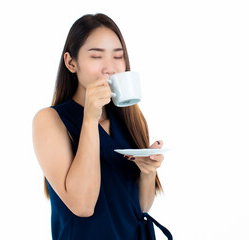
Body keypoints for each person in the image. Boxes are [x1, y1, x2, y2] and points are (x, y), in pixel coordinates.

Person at [32, 13, 172, 240]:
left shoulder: (131, 119)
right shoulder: (50, 120)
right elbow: (83, 206)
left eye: (118, 56)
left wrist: (148, 171)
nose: (110, 68)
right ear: (71, 62)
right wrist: (90, 118)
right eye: (96, 56)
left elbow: (140, 208)